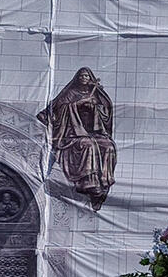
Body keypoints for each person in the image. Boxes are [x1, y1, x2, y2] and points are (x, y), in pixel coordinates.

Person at [37, 67, 116, 210]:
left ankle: (103, 181)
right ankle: (89, 182)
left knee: (108, 146)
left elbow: (106, 113)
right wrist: (77, 104)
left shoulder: (96, 94)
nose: (83, 78)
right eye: (81, 75)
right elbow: (57, 109)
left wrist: (95, 107)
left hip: (94, 132)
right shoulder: (70, 93)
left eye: (86, 76)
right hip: (72, 133)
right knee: (88, 146)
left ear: (90, 78)